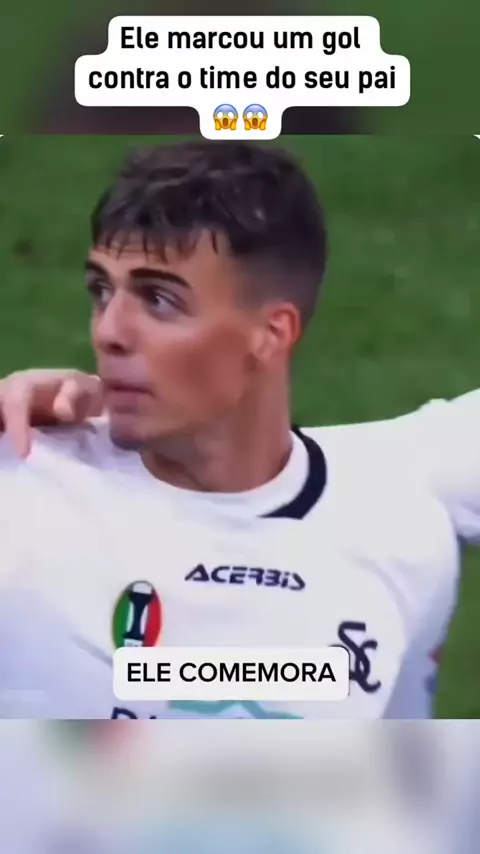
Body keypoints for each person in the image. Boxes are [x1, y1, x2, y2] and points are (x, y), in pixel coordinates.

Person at [0, 139, 474, 720]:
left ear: (271, 334)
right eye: (102, 289)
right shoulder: (23, 488)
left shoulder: (401, 523)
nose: (109, 331)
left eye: (159, 299)